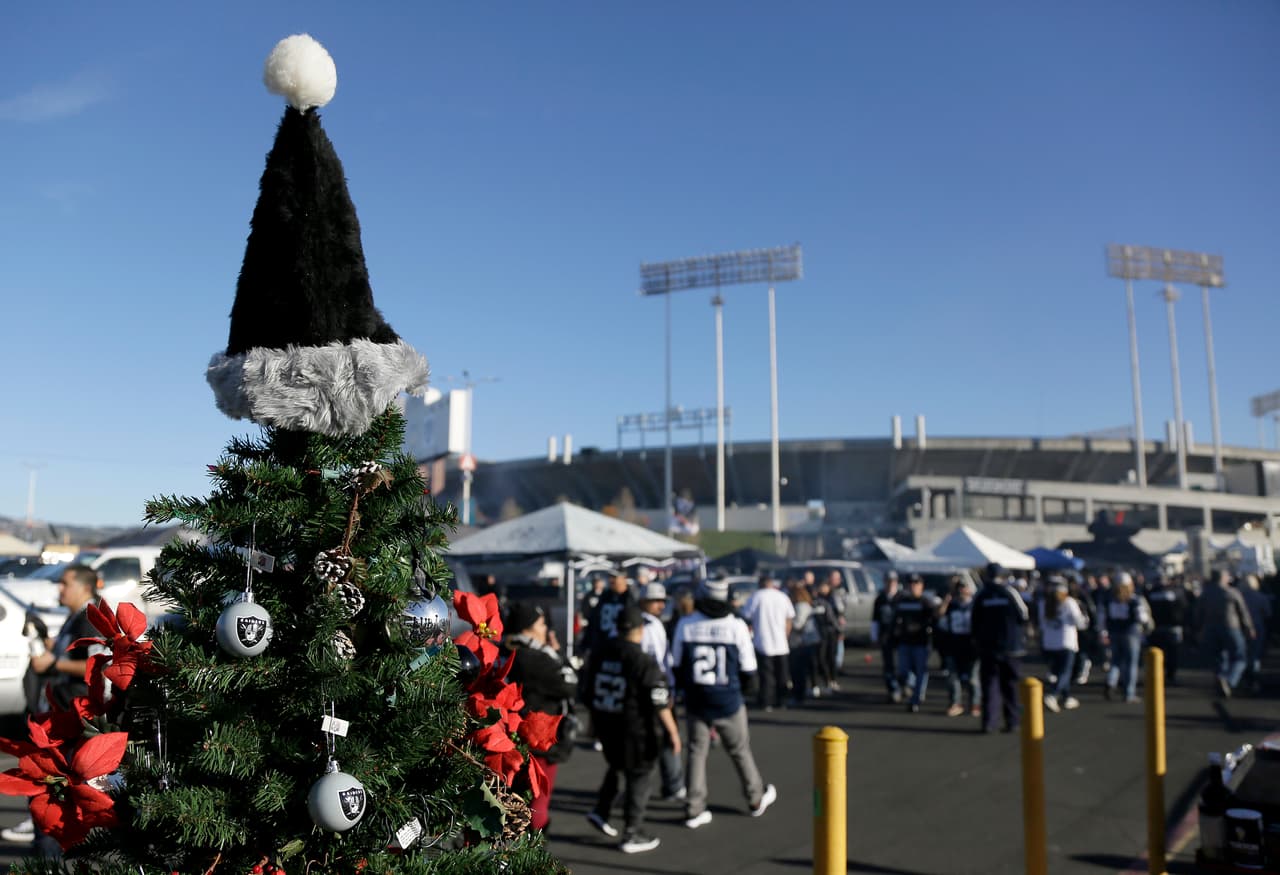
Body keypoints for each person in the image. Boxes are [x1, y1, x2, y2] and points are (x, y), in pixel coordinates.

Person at [672, 578, 777, 830]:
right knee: (740, 749)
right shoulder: (736, 626)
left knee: (697, 752)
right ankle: (754, 797)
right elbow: (749, 669)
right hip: (727, 699)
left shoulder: (686, 625)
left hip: (697, 699)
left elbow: (676, 665)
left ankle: (693, 807)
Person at [583, 606, 681, 854]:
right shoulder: (642, 660)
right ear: (639, 631)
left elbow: (588, 691)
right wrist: (673, 732)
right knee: (639, 776)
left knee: (616, 765)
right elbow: (659, 701)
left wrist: (593, 724)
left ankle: (601, 810)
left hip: (607, 722)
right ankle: (632, 832)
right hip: (635, 728)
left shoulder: (601, 652)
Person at [25, 564, 101, 857]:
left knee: (52, 795)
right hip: (59, 717)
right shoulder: (75, 617)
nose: (60, 588)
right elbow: (66, 652)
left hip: (74, 720)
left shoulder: (90, 619)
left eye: (65, 583)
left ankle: (48, 858)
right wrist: (42, 636)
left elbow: (96, 668)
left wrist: (52, 665)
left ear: (84, 587)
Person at [501, 602, 579, 832]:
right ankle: (532, 852)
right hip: (538, 741)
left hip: (515, 738)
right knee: (536, 804)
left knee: (515, 799)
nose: (546, 629)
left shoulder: (507, 650)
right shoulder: (532, 658)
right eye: (542, 623)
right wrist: (558, 655)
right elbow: (569, 685)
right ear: (527, 629)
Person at [637, 582, 684, 801]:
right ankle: (673, 785)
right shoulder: (651, 625)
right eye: (655, 600)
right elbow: (658, 663)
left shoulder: (645, 622)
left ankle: (671, 784)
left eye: (662, 601)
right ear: (644, 602)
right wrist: (668, 689)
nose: (660, 604)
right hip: (657, 686)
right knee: (667, 737)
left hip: (647, 687)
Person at [971, 563, 1030, 733]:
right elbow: (1023, 615)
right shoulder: (1010, 593)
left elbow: (973, 621)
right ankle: (1012, 721)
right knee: (1010, 685)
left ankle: (989, 723)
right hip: (1011, 648)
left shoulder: (981, 595)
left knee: (990, 686)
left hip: (988, 649)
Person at [1194, 570, 1256, 699]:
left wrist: (1198, 629)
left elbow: (1198, 613)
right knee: (1240, 657)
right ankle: (1229, 680)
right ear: (1223, 578)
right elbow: (1243, 612)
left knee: (1219, 657)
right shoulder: (1232, 592)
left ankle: (1220, 677)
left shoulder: (1206, 593)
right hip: (1231, 627)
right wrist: (1249, 628)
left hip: (1210, 628)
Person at [743, 572, 794, 711]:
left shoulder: (756, 597)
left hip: (762, 641)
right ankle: (782, 700)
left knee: (766, 675)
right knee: (782, 674)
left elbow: (747, 616)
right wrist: (786, 635)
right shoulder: (783, 597)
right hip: (781, 642)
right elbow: (789, 618)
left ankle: (766, 702)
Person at [1037, 577, 1088, 712]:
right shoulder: (1069, 602)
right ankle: (1053, 694)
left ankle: (1066, 697)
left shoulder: (1043, 603)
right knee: (1065, 672)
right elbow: (1080, 623)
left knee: (1060, 671)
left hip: (1050, 643)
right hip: (1066, 642)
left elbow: (1042, 625)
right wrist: (1084, 619)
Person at [889, 574, 936, 713]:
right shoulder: (902, 601)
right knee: (903, 671)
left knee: (920, 671)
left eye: (916, 583)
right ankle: (911, 687)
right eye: (911, 584)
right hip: (905, 642)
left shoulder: (926, 602)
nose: (913, 586)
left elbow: (934, 619)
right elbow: (895, 619)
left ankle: (915, 699)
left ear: (922, 586)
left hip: (920, 643)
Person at [1102, 574, 1151, 703]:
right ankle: (1129, 693)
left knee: (1115, 661)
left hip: (1114, 633)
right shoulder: (1134, 600)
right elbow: (1142, 617)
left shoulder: (1110, 600)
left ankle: (1110, 682)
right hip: (1131, 634)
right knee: (1131, 664)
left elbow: (1103, 617)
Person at [939, 578, 980, 718]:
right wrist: (946, 601)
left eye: (965, 588)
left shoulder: (975, 605)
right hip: (954, 645)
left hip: (971, 647)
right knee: (952, 677)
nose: (962, 591)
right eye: (960, 588)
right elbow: (939, 615)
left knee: (972, 678)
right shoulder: (952, 605)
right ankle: (955, 703)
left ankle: (975, 704)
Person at [1145, 574, 1188, 685]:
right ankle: (1170, 675)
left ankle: (1158, 674)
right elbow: (1184, 607)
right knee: (1173, 653)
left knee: (1158, 653)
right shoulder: (1176, 592)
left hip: (1156, 627)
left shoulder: (1150, 594)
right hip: (1172, 627)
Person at [582, 573, 635, 656]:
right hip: (603, 644)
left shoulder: (630, 597)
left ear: (624, 578)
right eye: (610, 577)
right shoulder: (605, 597)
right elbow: (594, 621)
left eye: (615, 577)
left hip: (622, 646)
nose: (611, 580)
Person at [787, 584, 822, 706]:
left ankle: (799, 695)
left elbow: (798, 624)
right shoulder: (806, 605)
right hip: (809, 641)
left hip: (803, 643)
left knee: (798, 670)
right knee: (808, 668)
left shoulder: (800, 606)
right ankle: (809, 688)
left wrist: (787, 622)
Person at [871, 572, 901, 703]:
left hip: (901, 638)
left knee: (903, 665)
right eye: (888, 581)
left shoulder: (902, 597)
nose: (891, 584)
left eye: (893, 581)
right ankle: (893, 689)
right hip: (886, 637)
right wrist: (874, 636)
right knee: (889, 665)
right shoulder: (880, 599)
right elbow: (875, 619)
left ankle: (905, 685)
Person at [1238, 574, 1271, 693]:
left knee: (1243, 653)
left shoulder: (1239, 596)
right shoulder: (1261, 597)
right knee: (1255, 655)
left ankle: (1244, 678)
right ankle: (1253, 679)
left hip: (1242, 628)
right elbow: (1267, 614)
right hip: (1257, 627)